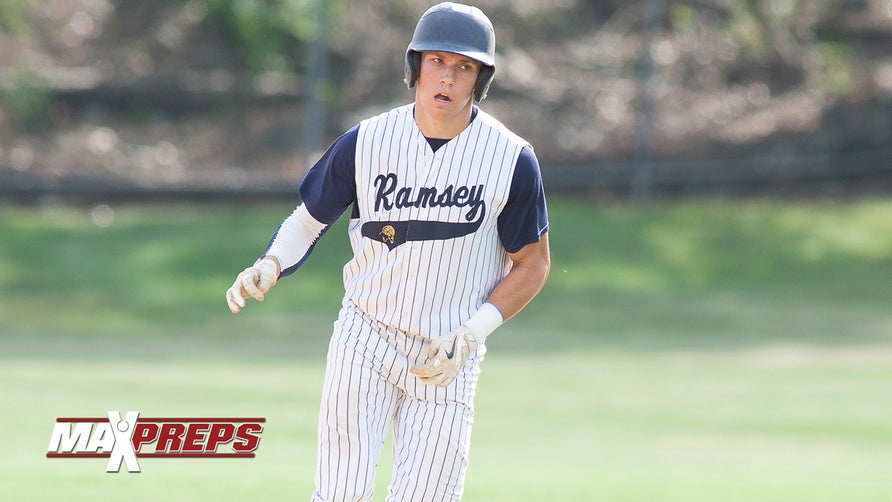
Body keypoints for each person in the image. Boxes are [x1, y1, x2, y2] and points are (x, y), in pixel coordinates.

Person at [225, 3, 549, 500]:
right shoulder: (368, 141)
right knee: (340, 493)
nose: (448, 77)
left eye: (464, 67)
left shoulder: (510, 159)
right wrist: (269, 264)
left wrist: (474, 331)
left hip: (448, 350)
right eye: (438, 61)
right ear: (415, 65)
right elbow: (309, 220)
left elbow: (532, 264)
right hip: (366, 336)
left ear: (481, 78)